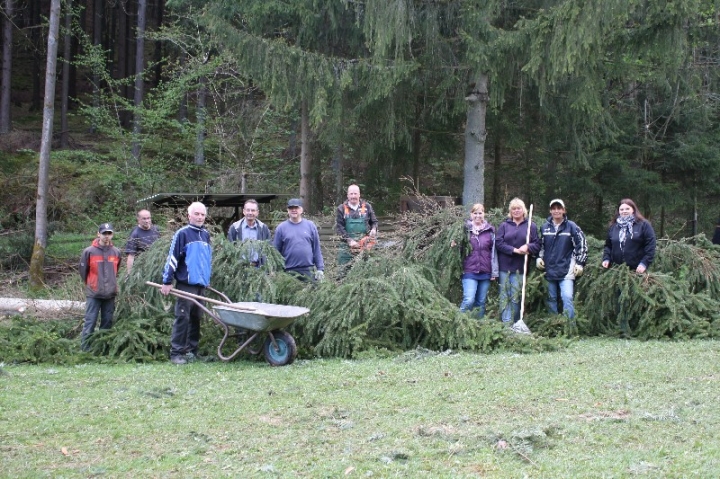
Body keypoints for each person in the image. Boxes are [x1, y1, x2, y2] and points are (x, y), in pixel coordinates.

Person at [160, 202, 212, 365]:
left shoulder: (205, 235)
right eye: (196, 214)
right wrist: (167, 281)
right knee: (182, 317)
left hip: (200, 284)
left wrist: (206, 279)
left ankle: (191, 351)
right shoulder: (182, 234)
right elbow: (173, 258)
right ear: (189, 215)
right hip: (186, 284)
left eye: (202, 214)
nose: (199, 217)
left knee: (196, 317)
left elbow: (205, 260)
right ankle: (176, 353)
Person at [536, 199, 588, 321]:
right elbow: (540, 246)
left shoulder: (572, 227)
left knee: (567, 297)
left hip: (567, 269)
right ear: (550, 211)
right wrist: (539, 257)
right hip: (549, 270)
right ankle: (553, 326)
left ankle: (569, 327)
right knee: (551, 298)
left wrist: (580, 263)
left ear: (564, 210)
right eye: (553, 208)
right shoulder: (544, 227)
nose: (556, 211)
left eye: (559, 208)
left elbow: (582, 245)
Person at [495, 198, 541, 324]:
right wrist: (514, 250)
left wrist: (528, 247)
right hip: (504, 267)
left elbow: (537, 244)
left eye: (518, 208)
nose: (516, 211)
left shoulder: (531, 226)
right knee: (504, 297)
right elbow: (498, 243)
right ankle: (506, 325)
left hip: (520, 268)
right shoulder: (504, 226)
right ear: (510, 211)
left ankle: (515, 324)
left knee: (515, 298)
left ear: (523, 210)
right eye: (513, 209)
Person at [79, 222, 122, 350]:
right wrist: (91, 284)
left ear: (112, 235)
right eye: (104, 233)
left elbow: (116, 270)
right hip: (94, 293)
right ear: (98, 234)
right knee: (90, 322)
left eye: (109, 233)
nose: (106, 236)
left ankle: (103, 349)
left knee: (107, 322)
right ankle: (85, 349)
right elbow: (83, 271)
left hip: (110, 294)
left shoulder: (116, 252)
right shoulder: (89, 252)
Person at [455, 203, 498, 318]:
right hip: (469, 270)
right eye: (475, 213)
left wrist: (494, 272)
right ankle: (460, 322)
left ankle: (478, 326)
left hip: (485, 271)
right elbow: (459, 249)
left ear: (484, 214)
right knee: (469, 299)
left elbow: (494, 252)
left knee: (481, 302)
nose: (478, 215)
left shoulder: (490, 231)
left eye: (480, 213)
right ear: (471, 214)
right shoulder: (464, 230)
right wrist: (454, 244)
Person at [273, 198, 324, 281]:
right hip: (288, 271)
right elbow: (275, 252)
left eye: (296, 208)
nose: (293, 210)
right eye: (291, 208)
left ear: (301, 210)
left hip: (308, 270)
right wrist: (275, 270)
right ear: (287, 210)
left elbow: (316, 249)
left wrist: (320, 269)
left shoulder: (310, 226)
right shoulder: (281, 228)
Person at [602, 198, 656, 274]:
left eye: (627, 209)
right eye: (622, 209)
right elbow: (608, 246)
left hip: (637, 270)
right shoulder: (613, 227)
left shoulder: (643, 225)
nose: (624, 211)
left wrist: (644, 263)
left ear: (633, 209)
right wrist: (606, 258)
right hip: (616, 270)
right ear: (618, 211)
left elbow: (650, 246)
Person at [335, 184, 378, 265]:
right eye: (351, 194)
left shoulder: (367, 207)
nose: (353, 196)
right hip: (346, 248)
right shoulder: (341, 208)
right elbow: (339, 228)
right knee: (343, 272)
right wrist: (349, 240)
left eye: (355, 193)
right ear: (347, 195)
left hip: (365, 246)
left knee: (365, 268)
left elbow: (374, 222)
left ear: (359, 194)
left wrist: (373, 229)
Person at [227, 199, 271, 266]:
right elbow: (229, 249)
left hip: (259, 268)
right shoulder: (235, 228)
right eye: (248, 210)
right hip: (240, 269)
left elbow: (269, 249)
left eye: (253, 210)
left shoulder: (263, 228)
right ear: (244, 211)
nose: (250, 213)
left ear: (257, 212)